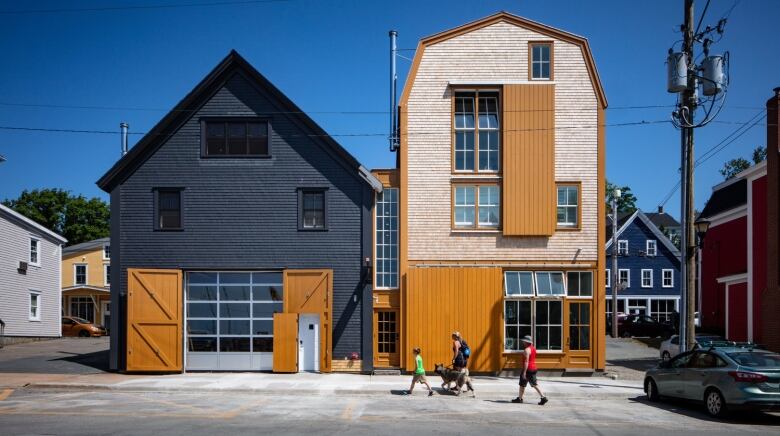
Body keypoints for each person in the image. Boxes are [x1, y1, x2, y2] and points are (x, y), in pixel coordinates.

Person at [512, 335, 548, 405]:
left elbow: (526, 362)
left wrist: (524, 372)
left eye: (524, 341)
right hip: (533, 368)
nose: (523, 342)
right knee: (522, 384)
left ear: (526, 342)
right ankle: (519, 398)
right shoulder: (533, 348)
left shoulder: (526, 350)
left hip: (528, 369)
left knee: (534, 384)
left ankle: (543, 397)